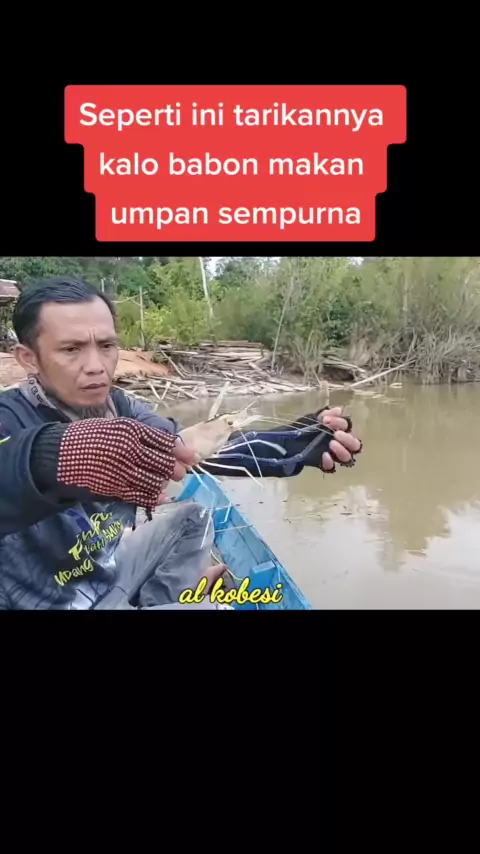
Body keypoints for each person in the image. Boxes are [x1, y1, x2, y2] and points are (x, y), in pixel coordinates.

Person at [0, 277, 362, 610]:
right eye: (71, 349)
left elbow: (188, 450)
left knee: (194, 516)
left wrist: (292, 444)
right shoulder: (8, 418)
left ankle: (157, 600)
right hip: (57, 602)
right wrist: (47, 458)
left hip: (106, 571)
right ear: (28, 358)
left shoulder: (118, 406)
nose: (96, 365)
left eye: (106, 345)